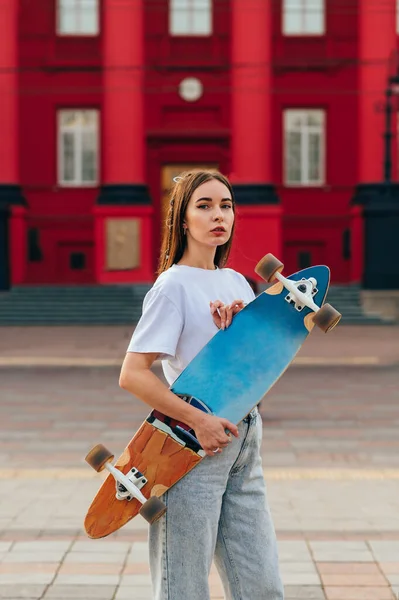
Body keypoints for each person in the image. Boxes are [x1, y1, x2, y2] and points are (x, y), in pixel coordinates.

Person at [119, 170, 284, 600]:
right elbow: (133, 374)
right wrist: (200, 421)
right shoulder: (171, 286)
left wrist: (233, 336)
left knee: (262, 586)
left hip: (243, 443)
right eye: (205, 206)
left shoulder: (236, 283)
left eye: (225, 206)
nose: (218, 216)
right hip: (190, 445)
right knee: (184, 588)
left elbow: (256, 369)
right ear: (183, 218)